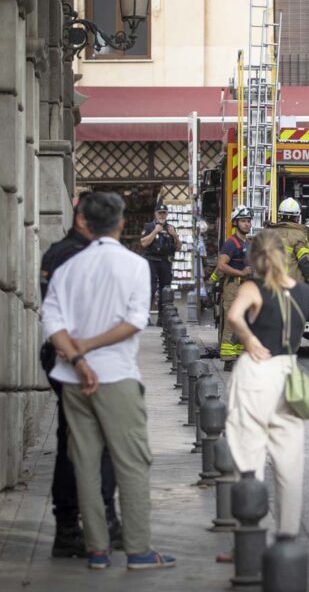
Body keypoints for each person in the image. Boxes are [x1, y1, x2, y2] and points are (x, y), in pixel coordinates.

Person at [41, 192, 175, 571]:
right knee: (131, 461)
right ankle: (138, 550)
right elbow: (135, 320)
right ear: (120, 223)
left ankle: (96, 550)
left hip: (72, 379)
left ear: (84, 221)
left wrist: (78, 358)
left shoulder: (68, 267)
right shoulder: (133, 265)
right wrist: (91, 347)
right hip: (116, 375)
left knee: (82, 460)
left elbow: (52, 322)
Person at [39, 192, 121, 558]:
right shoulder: (76, 256)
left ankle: (73, 526)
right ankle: (89, 523)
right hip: (80, 359)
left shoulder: (62, 252)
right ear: (83, 220)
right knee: (90, 444)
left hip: (75, 357)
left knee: (79, 443)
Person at [225, 230, 309, 536]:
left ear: (253, 258)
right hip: (289, 374)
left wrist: (249, 339)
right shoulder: (304, 292)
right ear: (284, 256)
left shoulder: (253, 287)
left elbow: (234, 316)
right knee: (290, 463)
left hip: (256, 372)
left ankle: (250, 534)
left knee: (248, 455)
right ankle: (287, 533)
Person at [215, 205, 253, 371]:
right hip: (233, 285)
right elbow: (221, 265)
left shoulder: (248, 243)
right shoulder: (231, 243)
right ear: (235, 223)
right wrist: (241, 272)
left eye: (249, 221)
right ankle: (228, 359)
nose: (247, 224)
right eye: (243, 221)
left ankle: (238, 356)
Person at [263, 197, 309, 293]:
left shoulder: (268, 234)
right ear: (297, 217)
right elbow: (306, 263)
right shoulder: (298, 236)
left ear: (280, 216)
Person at [139, 203, 181, 305]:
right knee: (151, 287)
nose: (162, 215)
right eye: (160, 213)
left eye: (164, 213)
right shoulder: (149, 226)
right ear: (155, 214)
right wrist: (155, 231)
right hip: (151, 260)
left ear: (167, 214)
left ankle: (163, 317)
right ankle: (146, 316)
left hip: (165, 261)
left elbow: (178, 247)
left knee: (166, 289)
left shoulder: (171, 228)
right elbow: (143, 243)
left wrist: (175, 236)